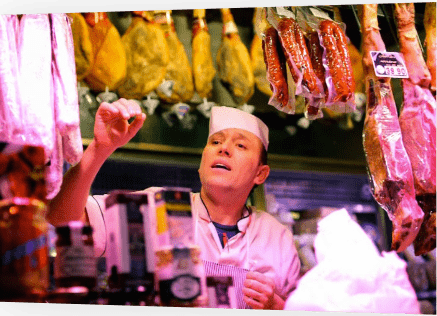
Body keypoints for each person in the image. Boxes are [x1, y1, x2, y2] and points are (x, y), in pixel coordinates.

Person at [47, 98, 300, 310]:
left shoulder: (278, 238)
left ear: (260, 174)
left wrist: (277, 305)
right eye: (215, 141)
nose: (224, 148)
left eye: (241, 145)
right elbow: (61, 219)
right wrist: (99, 149)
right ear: (201, 164)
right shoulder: (155, 206)